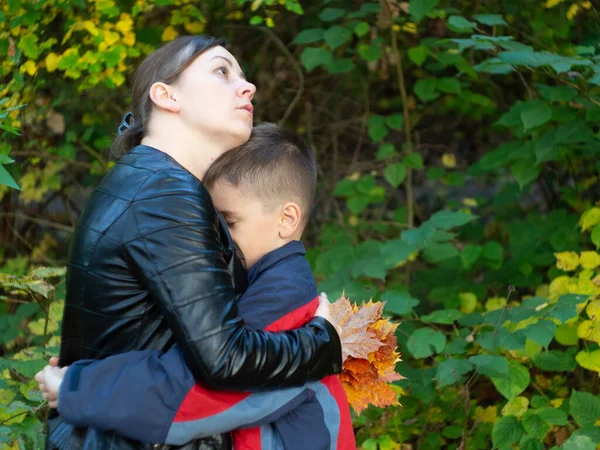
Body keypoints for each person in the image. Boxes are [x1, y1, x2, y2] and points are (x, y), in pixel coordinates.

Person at [47, 35, 343, 450]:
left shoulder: (147, 182)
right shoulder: (165, 192)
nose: (248, 85)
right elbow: (225, 359)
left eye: (241, 74)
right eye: (222, 71)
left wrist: (81, 381)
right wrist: (325, 341)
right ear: (166, 96)